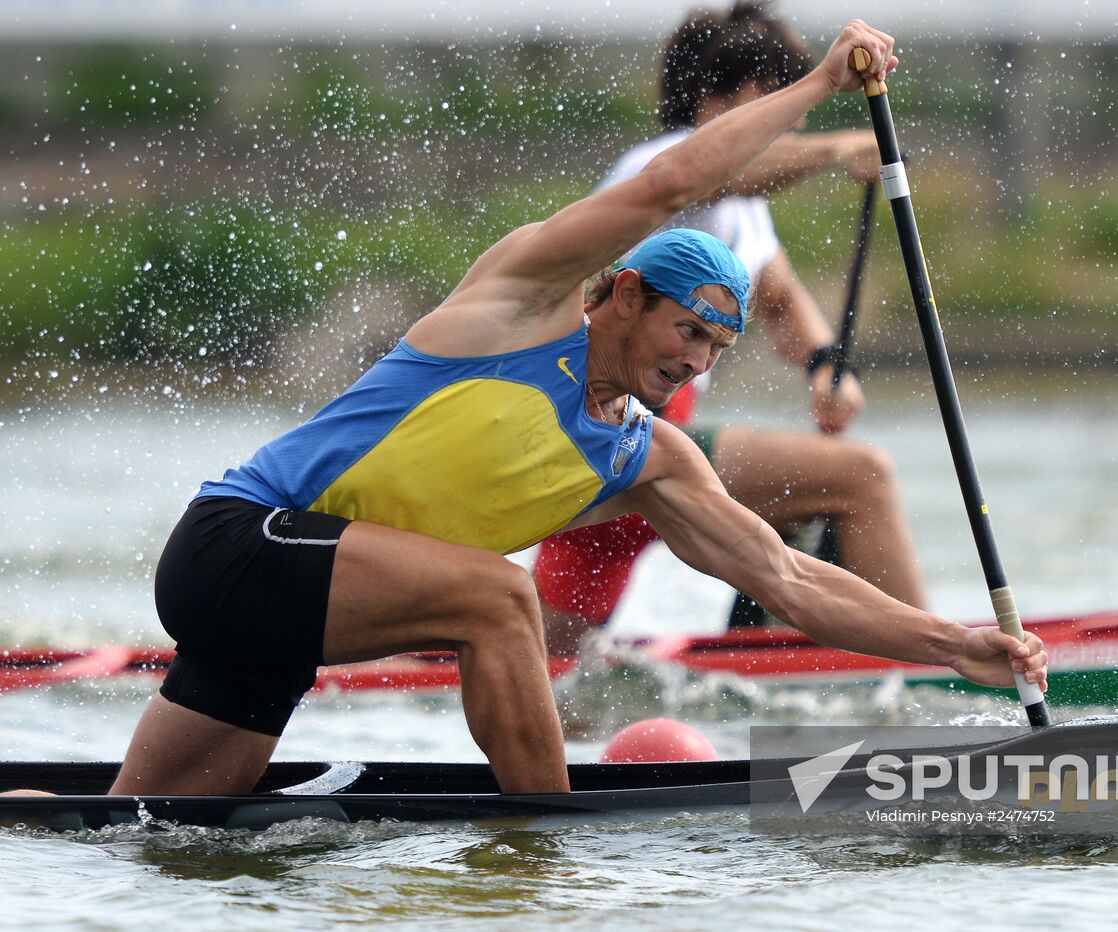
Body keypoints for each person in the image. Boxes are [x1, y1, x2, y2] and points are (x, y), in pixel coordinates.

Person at [109, 20, 1048, 799]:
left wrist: (954, 644)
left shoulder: (649, 454)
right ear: (627, 296)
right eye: (687, 332)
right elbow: (673, 185)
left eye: (716, 350)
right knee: (499, 596)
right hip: (238, 543)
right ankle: (547, 844)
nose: (696, 359)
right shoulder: (523, 301)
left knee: (151, 831)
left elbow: (790, 581)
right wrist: (816, 83)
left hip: (279, 625)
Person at [534, 2, 925, 652]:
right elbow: (713, 171)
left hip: (637, 455)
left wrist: (827, 364)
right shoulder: (657, 165)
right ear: (737, 96)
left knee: (548, 675)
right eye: (784, 95)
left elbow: (779, 302)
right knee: (863, 476)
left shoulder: (745, 213)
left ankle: (781, 662)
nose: (799, 118)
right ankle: (926, 661)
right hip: (610, 440)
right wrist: (834, 149)